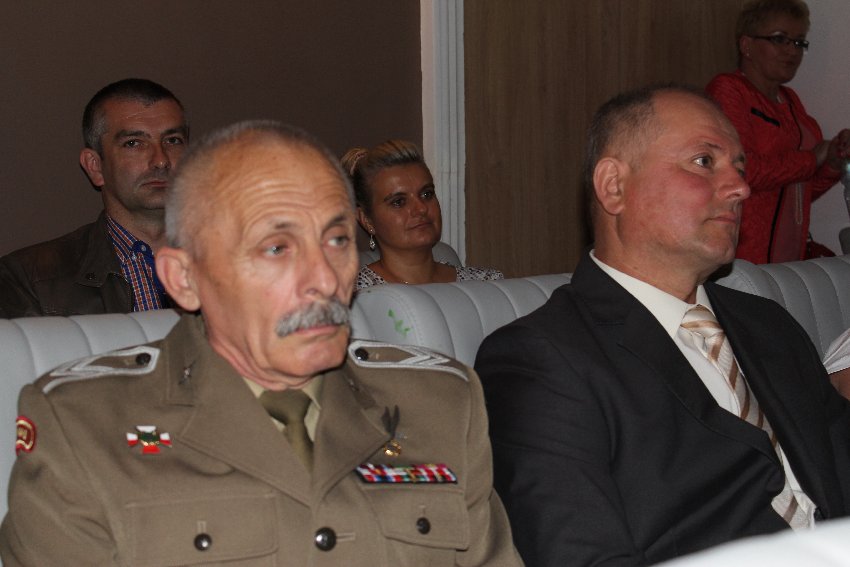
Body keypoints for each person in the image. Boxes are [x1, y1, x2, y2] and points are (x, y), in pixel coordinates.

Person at [0, 120, 522, 566]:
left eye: (337, 240)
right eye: (276, 248)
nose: (324, 278)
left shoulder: (439, 404)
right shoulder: (84, 432)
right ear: (184, 279)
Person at [475, 85, 850, 566]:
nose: (740, 188)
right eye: (704, 161)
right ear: (614, 186)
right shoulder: (541, 361)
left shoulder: (768, 325)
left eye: (739, 167)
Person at [0, 78, 189, 317]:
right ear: (95, 166)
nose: (161, 160)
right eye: (134, 143)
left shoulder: (232, 259)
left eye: (173, 141)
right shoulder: (28, 280)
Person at [706, 0, 850, 264]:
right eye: (780, 39)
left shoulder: (791, 101)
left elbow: (796, 195)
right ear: (746, 45)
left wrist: (832, 163)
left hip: (785, 261)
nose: (792, 51)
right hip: (739, 261)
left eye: (798, 42)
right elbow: (740, 171)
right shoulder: (729, 90)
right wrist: (813, 158)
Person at [341, 140, 503, 290]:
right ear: (367, 220)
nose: (421, 209)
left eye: (427, 194)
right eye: (399, 202)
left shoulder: (487, 284)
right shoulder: (354, 296)